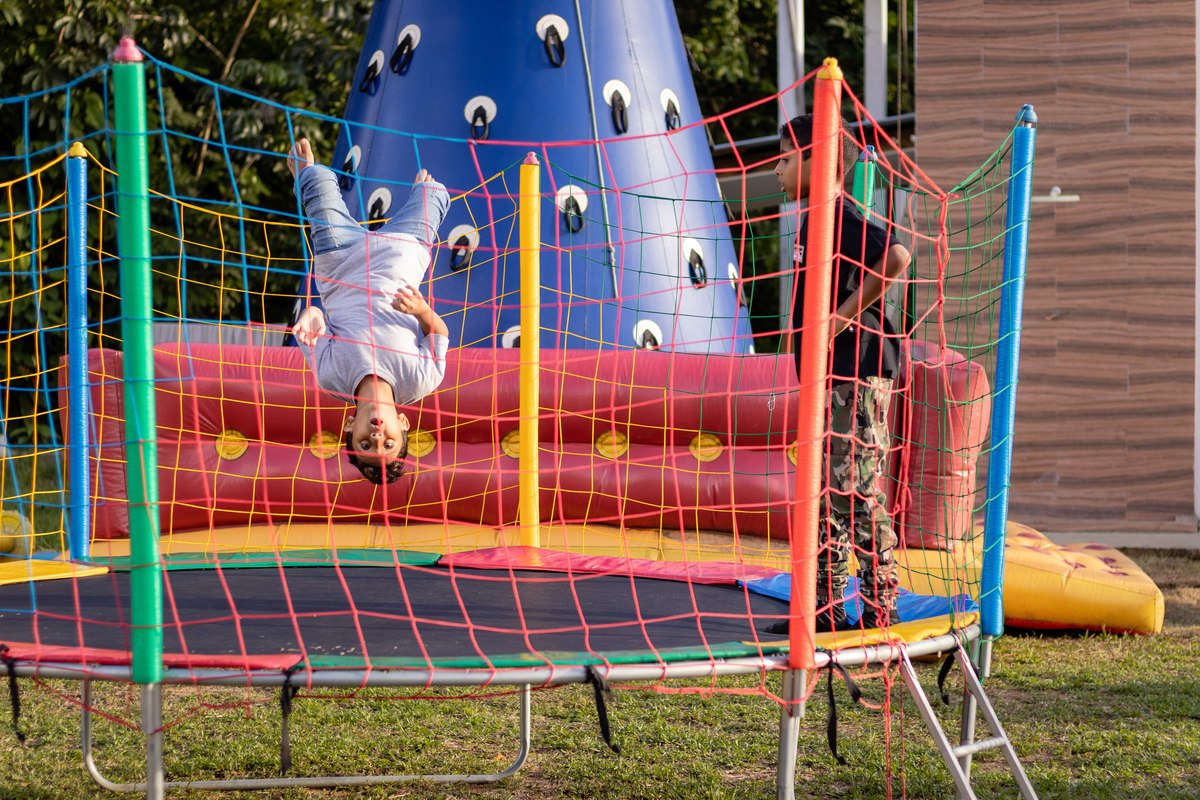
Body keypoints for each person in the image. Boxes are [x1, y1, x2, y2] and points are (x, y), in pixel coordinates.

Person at [774, 114, 911, 631]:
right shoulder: (813, 220)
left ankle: (881, 604)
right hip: (828, 377)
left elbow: (896, 255)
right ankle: (826, 607)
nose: (778, 170)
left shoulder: (838, 215)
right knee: (823, 493)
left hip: (857, 371)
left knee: (854, 488)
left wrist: (840, 317)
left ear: (816, 159)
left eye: (785, 158)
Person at [287, 137, 450, 484]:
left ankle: (304, 176)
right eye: (388, 442)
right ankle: (422, 197)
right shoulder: (421, 380)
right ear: (404, 424)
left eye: (365, 442)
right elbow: (439, 334)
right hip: (401, 258)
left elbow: (317, 325)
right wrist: (421, 311)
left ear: (349, 425)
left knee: (317, 181)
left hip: (342, 262)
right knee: (436, 193)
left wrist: (310, 317)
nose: (377, 436)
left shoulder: (332, 378)